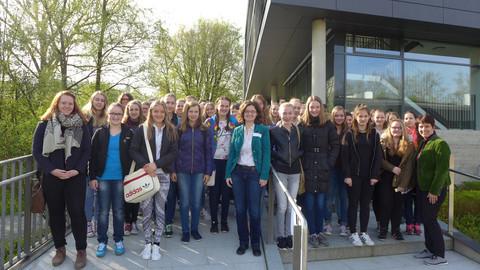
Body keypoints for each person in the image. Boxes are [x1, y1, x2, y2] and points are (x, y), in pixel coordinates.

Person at [32, 90, 91, 269]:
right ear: (56, 104)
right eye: (63, 103)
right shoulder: (44, 125)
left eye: (70, 103)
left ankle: (81, 251)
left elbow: (87, 151)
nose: (66, 106)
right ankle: (60, 249)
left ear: (75, 106)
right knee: (56, 214)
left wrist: (77, 170)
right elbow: (37, 152)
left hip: (75, 177)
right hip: (53, 178)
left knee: (77, 214)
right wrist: (52, 170)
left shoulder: (81, 125)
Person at [129, 100, 179, 261]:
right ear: (150, 112)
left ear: (165, 113)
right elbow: (133, 150)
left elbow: (173, 153)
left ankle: (156, 243)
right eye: (155, 111)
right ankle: (147, 243)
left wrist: (156, 164)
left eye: (161, 112)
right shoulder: (142, 129)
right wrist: (146, 165)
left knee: (160, 210)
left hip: (162, 175)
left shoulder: (171, 130)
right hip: (145, 175)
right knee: (146, 210)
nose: (158, 114)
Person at [225, 101, 271, 257]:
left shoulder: (263, 130)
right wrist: (227, 174)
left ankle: (256, 243)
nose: (249, 114)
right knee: (239, 210)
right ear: (242, 114)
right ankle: (243, 242)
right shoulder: (237, 130)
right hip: (238, 173)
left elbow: (266, 155)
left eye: (252, 111)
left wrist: (264, 175)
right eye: (247, 112)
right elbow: (232, 154)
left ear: (257, 113)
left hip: (254, 174)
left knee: (255, 211)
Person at [89, 103, 132, 257]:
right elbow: (92, 157)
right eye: (113, 113)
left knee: (119, 211)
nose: (115, 116)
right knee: (103, 212)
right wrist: (92, 177)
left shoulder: (128, 133)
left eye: (119, 114)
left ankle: (118, 240)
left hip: (121, 178)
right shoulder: (100, 133)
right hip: (103, 178)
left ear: (122, 116)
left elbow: (133, 155)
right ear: (108, 114)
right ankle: (102, 241)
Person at [300, 96, 339, 248]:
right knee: (309, 203)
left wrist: (329, 162)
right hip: (308, 164)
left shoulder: (328, 125)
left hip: (323, 165)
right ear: (308, 108)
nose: (314, 110)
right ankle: (312, 233)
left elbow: (335, 145)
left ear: (321, 108)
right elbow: (298, 145)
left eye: (317, 107)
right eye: (312, 107)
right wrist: (302, 162)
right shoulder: (302, 124)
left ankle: (319, 231)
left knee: (321, 203)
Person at [172, 101, 214, 243]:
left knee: (196, 202)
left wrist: (208, 171)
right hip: (182, 170)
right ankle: (185, 231)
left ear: (199, 113)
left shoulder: (204, 130)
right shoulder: (179, 129)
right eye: (190, 111)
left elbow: (209, 151)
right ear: (186, 112)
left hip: (199, 170)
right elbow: (174, 151)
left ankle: (194, 229)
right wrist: (173, 170)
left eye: (196, 111)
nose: (193, 114)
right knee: (184, 202)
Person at [342, 104, 382, 247]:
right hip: (353, 176)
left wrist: (374, 175)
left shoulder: (374, 134)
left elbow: (378, 156)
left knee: (365, 205)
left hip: (369, 176)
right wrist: (347, 175)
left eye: (365, 116)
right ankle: (353, 232)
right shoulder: (349, 134)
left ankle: (364, 232)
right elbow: (345, 158)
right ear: (355, 117)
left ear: (369, 117)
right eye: (360, 116)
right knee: (353, 204)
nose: (363, 119)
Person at [413, 115, 451, 265]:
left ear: (433, 127)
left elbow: (442, 171)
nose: (423, 129)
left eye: (427, 126)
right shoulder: (424, 142)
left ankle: (440, 256)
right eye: (421, 127)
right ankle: (430, 249)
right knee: (426, 221)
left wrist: (434, 191)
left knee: (431, 220)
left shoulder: (440, 144)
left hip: (435, 190)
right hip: (423, 189)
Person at [270, 103, 302, 249]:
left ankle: (289, 234)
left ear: (294, 114)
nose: (288, 116)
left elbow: (303, 147)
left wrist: (297, 155)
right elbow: (270, 150)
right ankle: (280, 236)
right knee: (282, 206)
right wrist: (279, 157)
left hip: (295, 171)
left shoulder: (298, 130)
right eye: (285, 113)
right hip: (281, 171)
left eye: (290, 113)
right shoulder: (274, 131)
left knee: (291, 206)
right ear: (279, 114)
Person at [205, 96, 239, 233]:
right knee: (213, 193)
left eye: (226, 106)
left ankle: (224, 221)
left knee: (226, 194)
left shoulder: (234, 122)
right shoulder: (209, 122)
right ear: (217, 106)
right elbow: (205, 144)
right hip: (213, 162)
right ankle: (214, 221)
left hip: (228, 163)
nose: (224, 108)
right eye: (222, 105)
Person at [378, 119, 415, 241]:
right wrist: (392, 168)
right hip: (385, 178)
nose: (396, 130)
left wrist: (403, 185)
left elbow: (409, 167)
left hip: (400, 179)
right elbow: (380, 160)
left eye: (399, 128)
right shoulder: (383, 142)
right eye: (394, 127)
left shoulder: (408, 145)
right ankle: (383, 229)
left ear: (402, 129)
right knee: (385, 204)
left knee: (398, 206)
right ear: (389, 128)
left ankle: (396, 230)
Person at [82, 91, 108, 239]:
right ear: (92, 101)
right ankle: (88, 222)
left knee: (101, 195)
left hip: (101, 162)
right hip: (86, 161)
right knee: (88, 195)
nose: (99, 102)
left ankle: (98, 221)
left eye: (102, 100)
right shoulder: (85, 118)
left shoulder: (107, 120)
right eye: (97, 100)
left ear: (105, 103)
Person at [324, 106, 349, 237]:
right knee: (329, 197)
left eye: (341, 115)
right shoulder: (328, 129)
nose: (339, 118)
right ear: (333, 116)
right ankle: (327, 222)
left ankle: (343, 223)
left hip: (344, 169)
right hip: (331, 168)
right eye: (337, 115)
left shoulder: (348, 131)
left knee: (343, 197)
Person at [122, 100, 144, 236]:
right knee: (126, 194)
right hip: (125, 164)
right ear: (128, 111)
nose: (134, 112)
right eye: (131, 110)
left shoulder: (145, 126)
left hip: (139, 164)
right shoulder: (123, 126)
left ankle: (134, 220)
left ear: (140, 111)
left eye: (136, 109)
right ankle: (127, 221)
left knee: (137, 193)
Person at [403, 111, 422, 235]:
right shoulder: (402, 133)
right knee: (407, 199)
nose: (408, 120)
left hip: (419, 172)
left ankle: (417, 223)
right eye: (406, 118)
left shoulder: (421, 133)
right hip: (406, 173)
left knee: (419, 199)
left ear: (415, 120)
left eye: (411, 118)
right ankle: (409, 223)